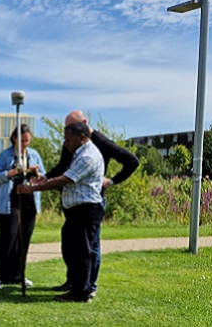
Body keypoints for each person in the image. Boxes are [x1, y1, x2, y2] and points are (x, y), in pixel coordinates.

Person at [45, 110, 140, 296]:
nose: (67, 133)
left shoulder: (100, 142)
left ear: (84, 124)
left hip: (92, 200)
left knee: (90, 246)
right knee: (73, 244)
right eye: (66, 129)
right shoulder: (73, 141)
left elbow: (132, 161)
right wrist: (44, 178)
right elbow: (62, 166)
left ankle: (89, 286)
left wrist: (111, 181)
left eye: (70, 128)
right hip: (75, 200)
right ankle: (74, 282)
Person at [18, 122, 104, 302]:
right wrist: (44, 180)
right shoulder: (79, 154)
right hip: (76, 210)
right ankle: (76, 285)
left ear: (81, 137)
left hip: (86, 210)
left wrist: (31, 190)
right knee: (71, 249)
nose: (66, 144)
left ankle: (82, 292)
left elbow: (64, 180)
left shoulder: (88, 156)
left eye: (68, 140)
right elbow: (70, 183)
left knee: (82, 251)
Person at [0, 124, 45, 290]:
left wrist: (36, 173)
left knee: (24, 239)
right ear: (14, 138)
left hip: (29, 201)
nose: (25, 143)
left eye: (28, 140)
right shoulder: (4, 156)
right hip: (9, 202)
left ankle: (18, 275)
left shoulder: (34, 155)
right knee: (8, 237)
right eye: (22, 140)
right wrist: (10, 173)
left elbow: (43, 176)